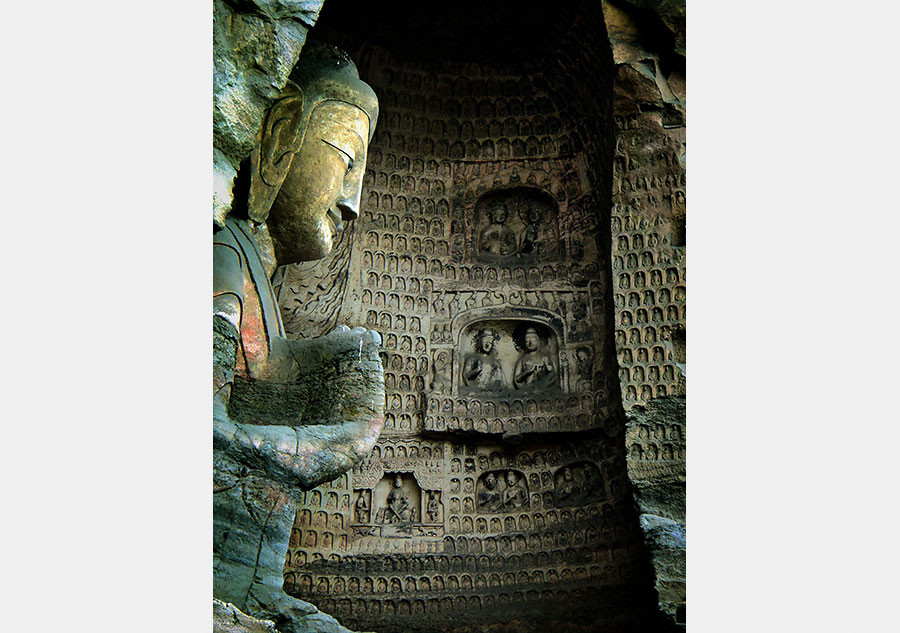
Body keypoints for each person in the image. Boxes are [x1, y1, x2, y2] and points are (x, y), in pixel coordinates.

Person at [212, 43, 383, 627]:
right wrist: (323, 446)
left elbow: (263, 371)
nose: (352, 201)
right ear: (283, 133)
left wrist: (338, 358)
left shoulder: (252, 270)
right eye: (346, 159)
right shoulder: (221, 261)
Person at [513, 326, 557, 390]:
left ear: (538, 341)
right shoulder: (522, 360)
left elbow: (552, 376)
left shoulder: (545, 358)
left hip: (543, 389)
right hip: (528, 390)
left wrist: (548, 368)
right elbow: (516, 379)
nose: (530, 343)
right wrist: (528, 372)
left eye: (533, 339)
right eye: (527, 340)